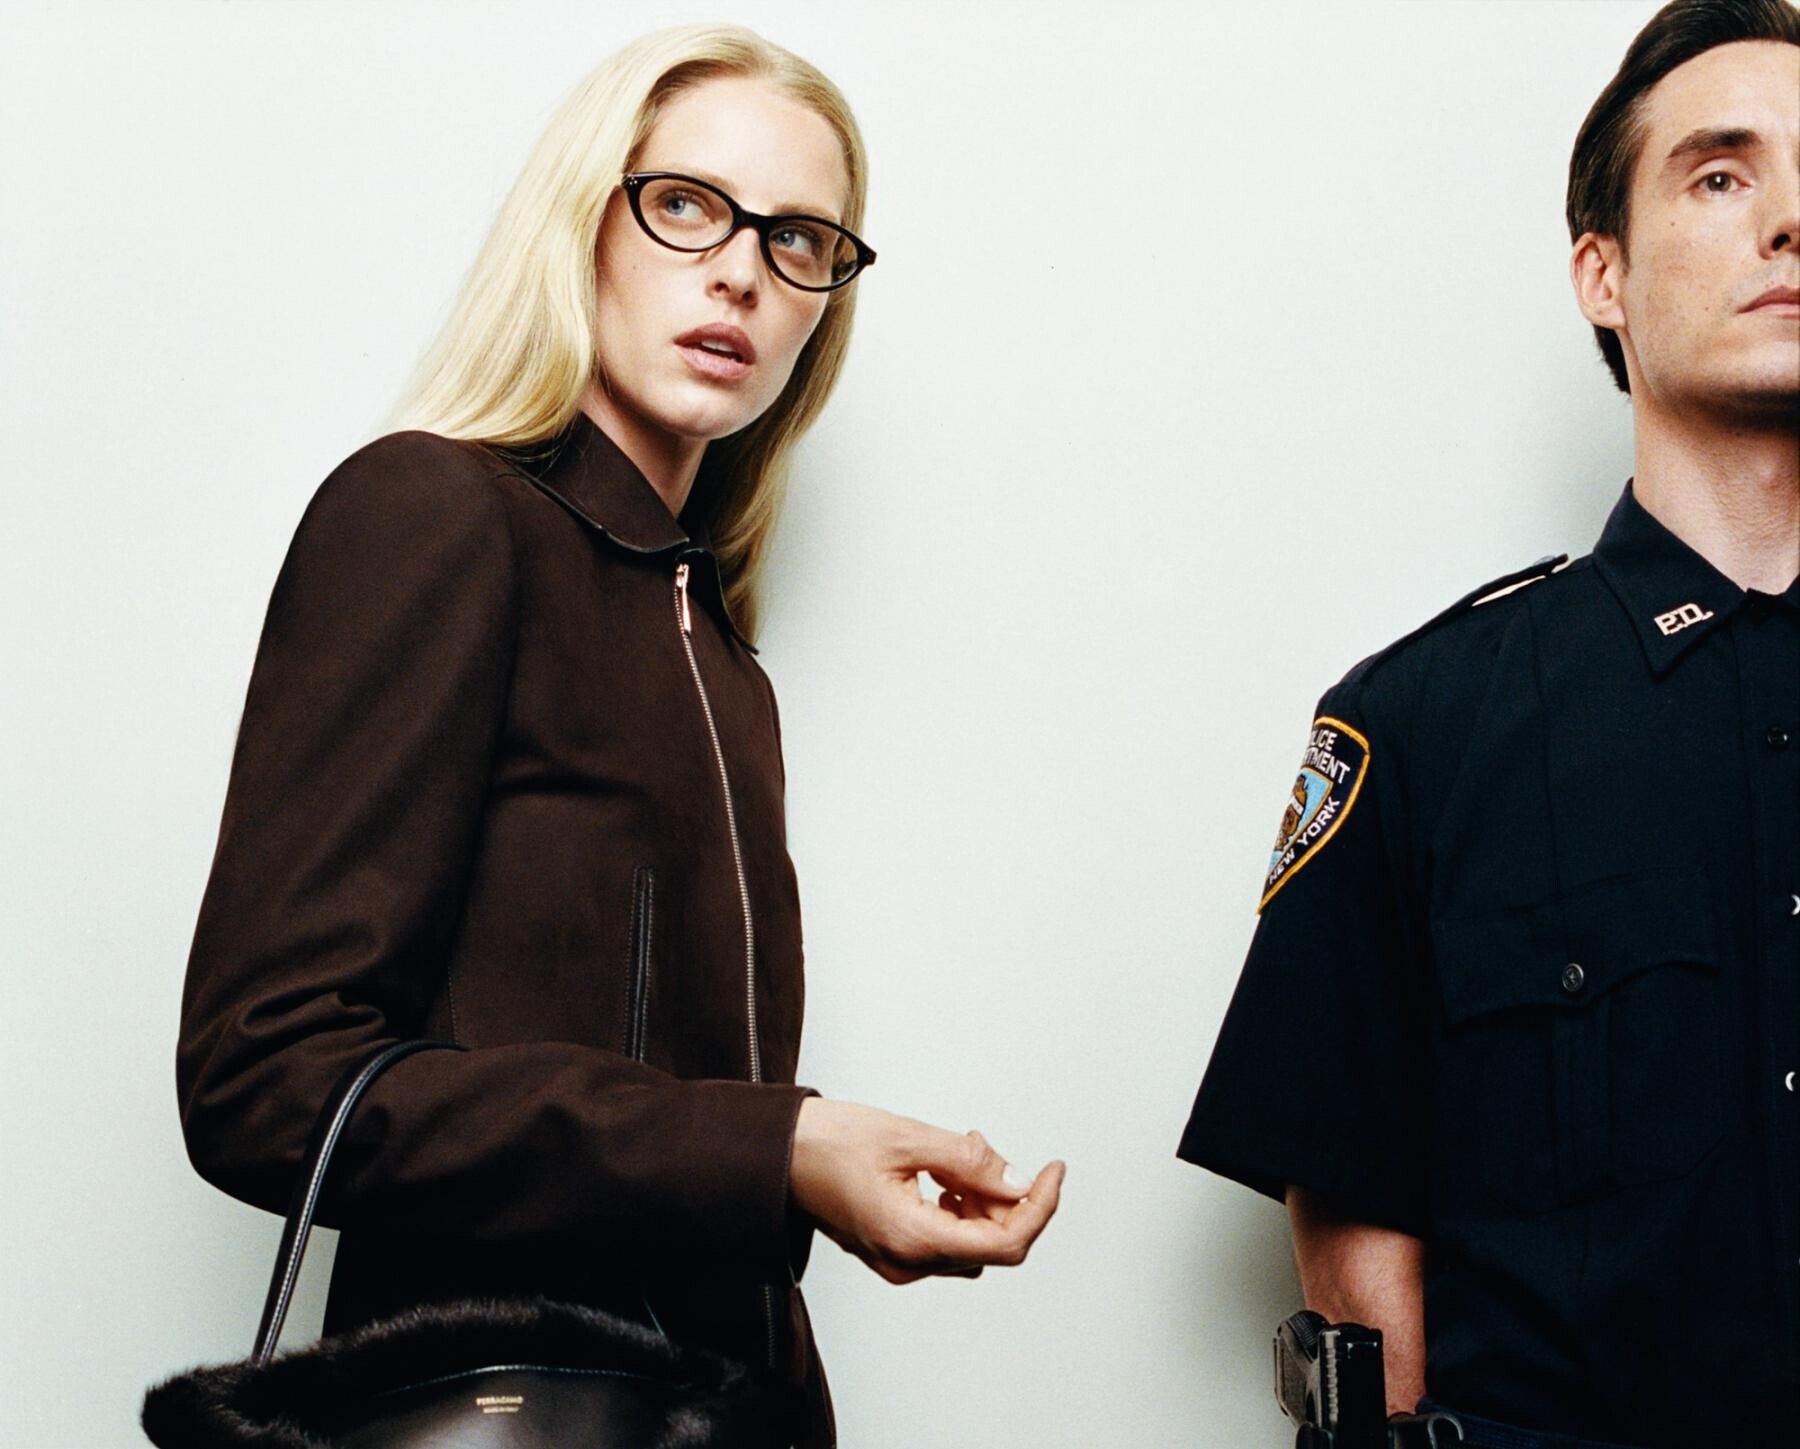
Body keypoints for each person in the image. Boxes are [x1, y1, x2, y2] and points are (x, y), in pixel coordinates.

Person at [176, 25, 1063, 1448]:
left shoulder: (719, 652)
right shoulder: (432, 516)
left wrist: (796, 1187)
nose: (741, 272)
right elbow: (265, 1078)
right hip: (508, 1409)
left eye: (798, 238)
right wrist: (782, 1145)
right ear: (580, 222)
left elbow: (686, 1146)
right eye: (688, 205)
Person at [1176, 2, 1798, 1446]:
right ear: (1603, 273)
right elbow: (1357, 1231)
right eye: (1721, 174)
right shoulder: (1422, 727)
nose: (1788, 219)